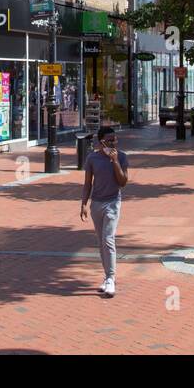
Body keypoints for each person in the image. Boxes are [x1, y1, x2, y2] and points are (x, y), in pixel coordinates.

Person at [79, 126, 129, 297]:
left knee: (108, 239)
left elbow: (123, 181)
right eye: (110, 140)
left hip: (113, 202)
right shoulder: (92, 158)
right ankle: (107, 276)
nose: (114, 142)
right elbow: (87, 183)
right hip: (97, 204)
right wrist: (84, 204)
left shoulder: (121, 157)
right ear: (101, 142)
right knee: (101, 242)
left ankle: (111, 278)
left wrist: (114, 161)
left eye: (115, 139)